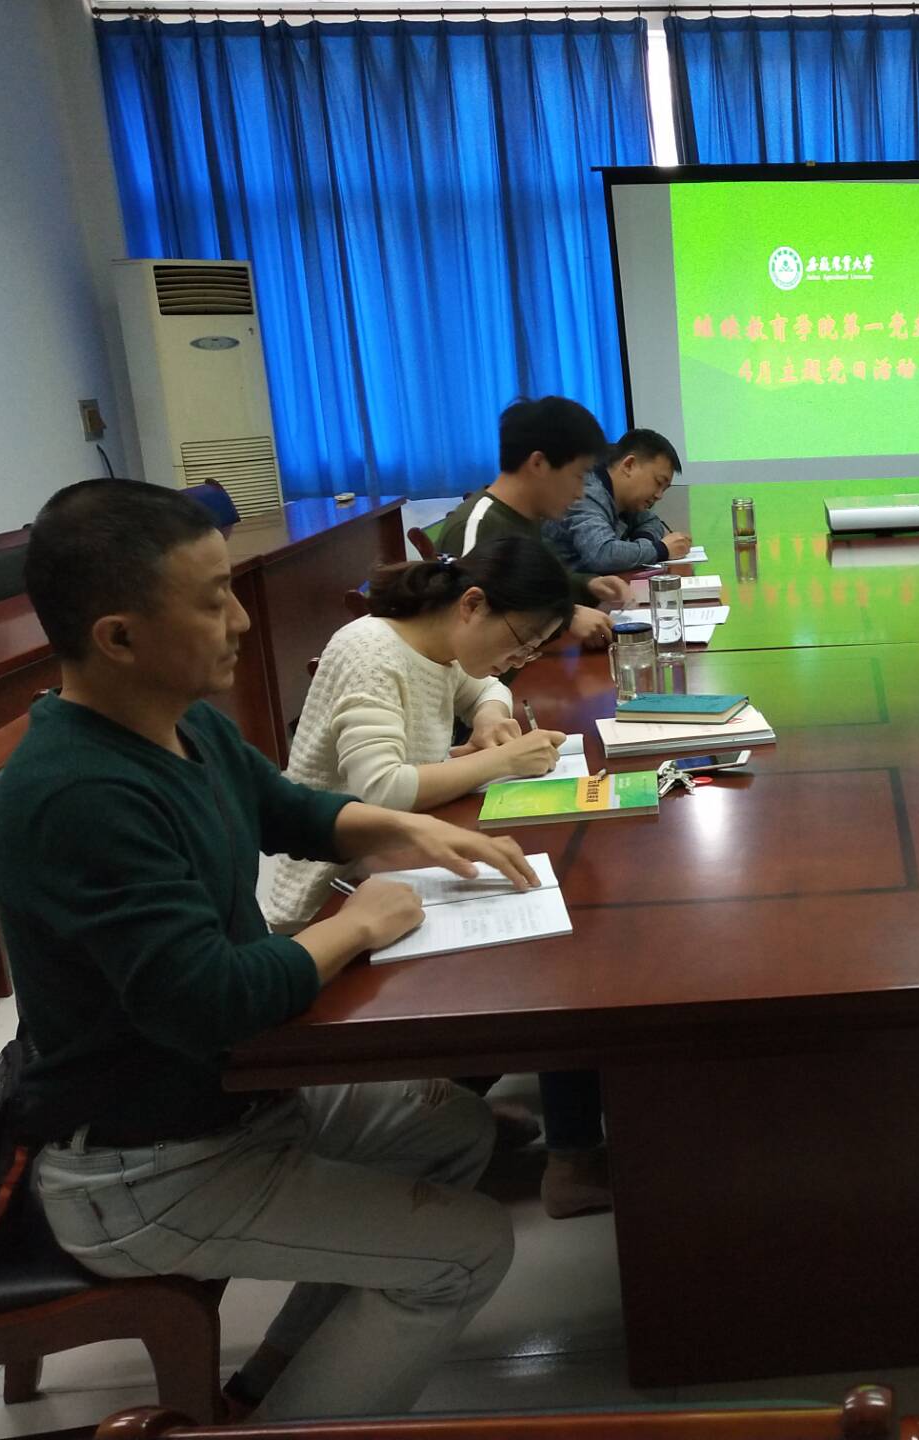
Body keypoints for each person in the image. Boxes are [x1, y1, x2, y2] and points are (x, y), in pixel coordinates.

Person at [0, 480, 538, 1419]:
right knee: (470, 1251)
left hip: (231, 1099)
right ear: (119, 637)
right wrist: (355, 924)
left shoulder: (181, 720)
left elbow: (289, 809)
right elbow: (212, 999)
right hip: (145, 1163)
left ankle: (275, 1383)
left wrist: (412, 831)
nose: (243, 620)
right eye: (213, 600)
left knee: (451, 1128)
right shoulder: (84, 795)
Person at [264, 536, 612, 1219]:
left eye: (532, 651)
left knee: (551, 910)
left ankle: (454, 1104)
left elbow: (483, 685)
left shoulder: (439, 645)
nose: (518, 661)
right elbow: (382, 788)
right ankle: (554, 1150)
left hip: (394, 862)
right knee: (554, 950)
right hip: (331, 892)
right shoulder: (371, 651)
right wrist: (502, 760)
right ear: (472, 604)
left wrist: (492, 718)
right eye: (518, 642)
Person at [433, 396, 626, 647]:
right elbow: (466, 628)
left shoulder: (531, 518)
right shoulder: (478, 525)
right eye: (578, 476)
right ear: (538, 463)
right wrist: (566, 617)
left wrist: (589, 584)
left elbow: (532, 588)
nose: (580, 493)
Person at [547, 428, 690, 573]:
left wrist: (643, 542)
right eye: (658, 482)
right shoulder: (585, 492)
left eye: (664, 489)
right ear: (629, 465)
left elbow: (651, 521)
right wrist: (661, 549)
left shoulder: (628, 499)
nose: (659, 495)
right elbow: (602, 554)